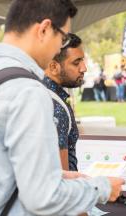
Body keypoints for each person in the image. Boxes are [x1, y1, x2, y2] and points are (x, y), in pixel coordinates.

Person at [0, 0, 124, 215]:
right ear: (44, 29)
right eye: (63, 39)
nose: (58, 49)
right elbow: (43, 198)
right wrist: (102, 188)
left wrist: (56, 175)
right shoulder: (28, 91)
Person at [43, 33, 86, 171]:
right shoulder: (55, 107)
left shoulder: (39, 93)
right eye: (76, 62)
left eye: (83, 60)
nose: (84, 68)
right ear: (54, 67)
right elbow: (61, 178)